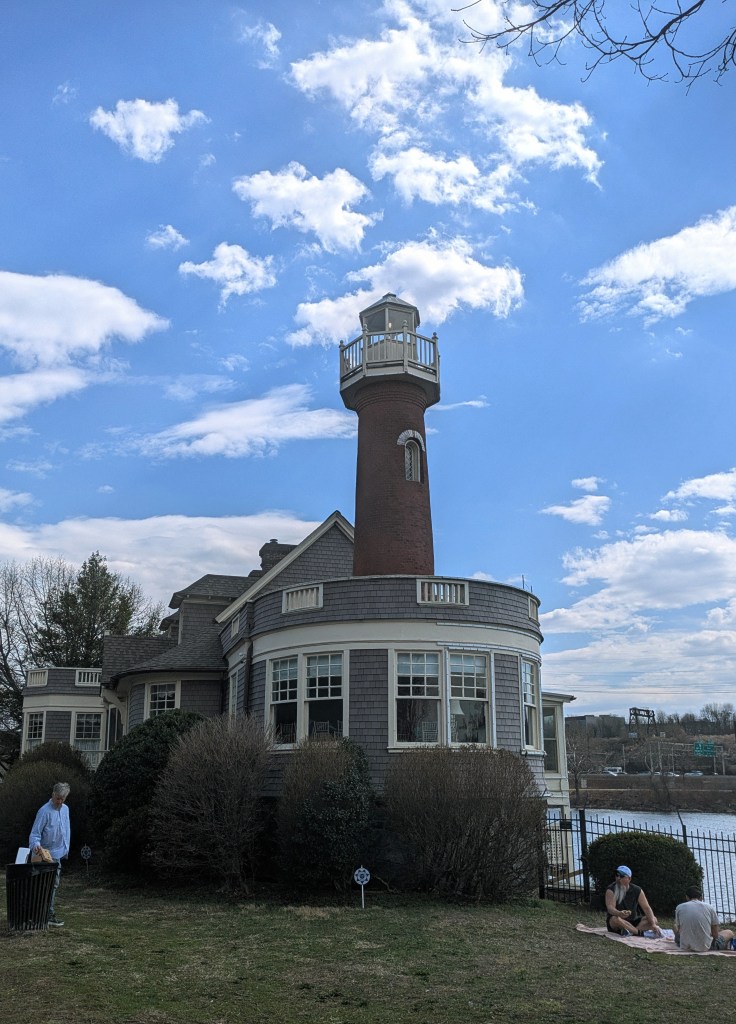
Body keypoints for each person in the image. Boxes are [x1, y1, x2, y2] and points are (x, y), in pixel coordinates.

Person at [29, 781, 71, 927]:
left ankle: (46, 914)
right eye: (57, 798)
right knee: (44, 885)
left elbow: (65, 829)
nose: (59, 801)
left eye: (62, 799)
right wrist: (36, 847)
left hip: (58, 853)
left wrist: (65, 848)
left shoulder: (65, 809)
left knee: (53, 885)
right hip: (45, 855)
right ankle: (44, 914)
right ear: (53, 794)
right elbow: (35, 834)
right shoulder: (44, 811)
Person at [604, 864, 661, 936]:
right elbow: (610, 908)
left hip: (634, 920)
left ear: (629, 878)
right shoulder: (611, 890)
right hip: (619, 920)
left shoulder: (637, 890)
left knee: (653, 919)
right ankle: (638, 932)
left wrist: (653, 924)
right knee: (615, 919)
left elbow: (646, 908)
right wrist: (619, 913)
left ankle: (630, 932)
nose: (618, 878)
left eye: (621, 876)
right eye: (616, 875)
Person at [674, 885, 735, 951]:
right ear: (701, 897)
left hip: (685, 945)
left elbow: (680, 930)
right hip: (706, 947)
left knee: (675, 925)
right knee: (729, 932)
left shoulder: (679, 907)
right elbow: (715, 935)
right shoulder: (709, 907)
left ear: (687, 897)